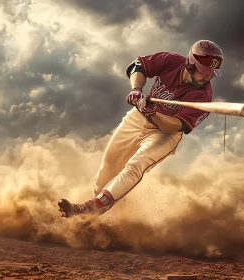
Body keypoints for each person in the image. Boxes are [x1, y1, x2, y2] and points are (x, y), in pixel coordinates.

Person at [58, 40, 224, 217]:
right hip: (138, 117)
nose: (208, 77)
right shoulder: (171, 60)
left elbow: (177, 125)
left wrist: (154, 113)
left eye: (211, 74)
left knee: (136, 164)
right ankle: (94, 219)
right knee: (109, 166)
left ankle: (89, 208)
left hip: (165, 134)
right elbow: (138, 67)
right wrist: (136, 89)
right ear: (190, 64)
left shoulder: (203, 96)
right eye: (204, 72)